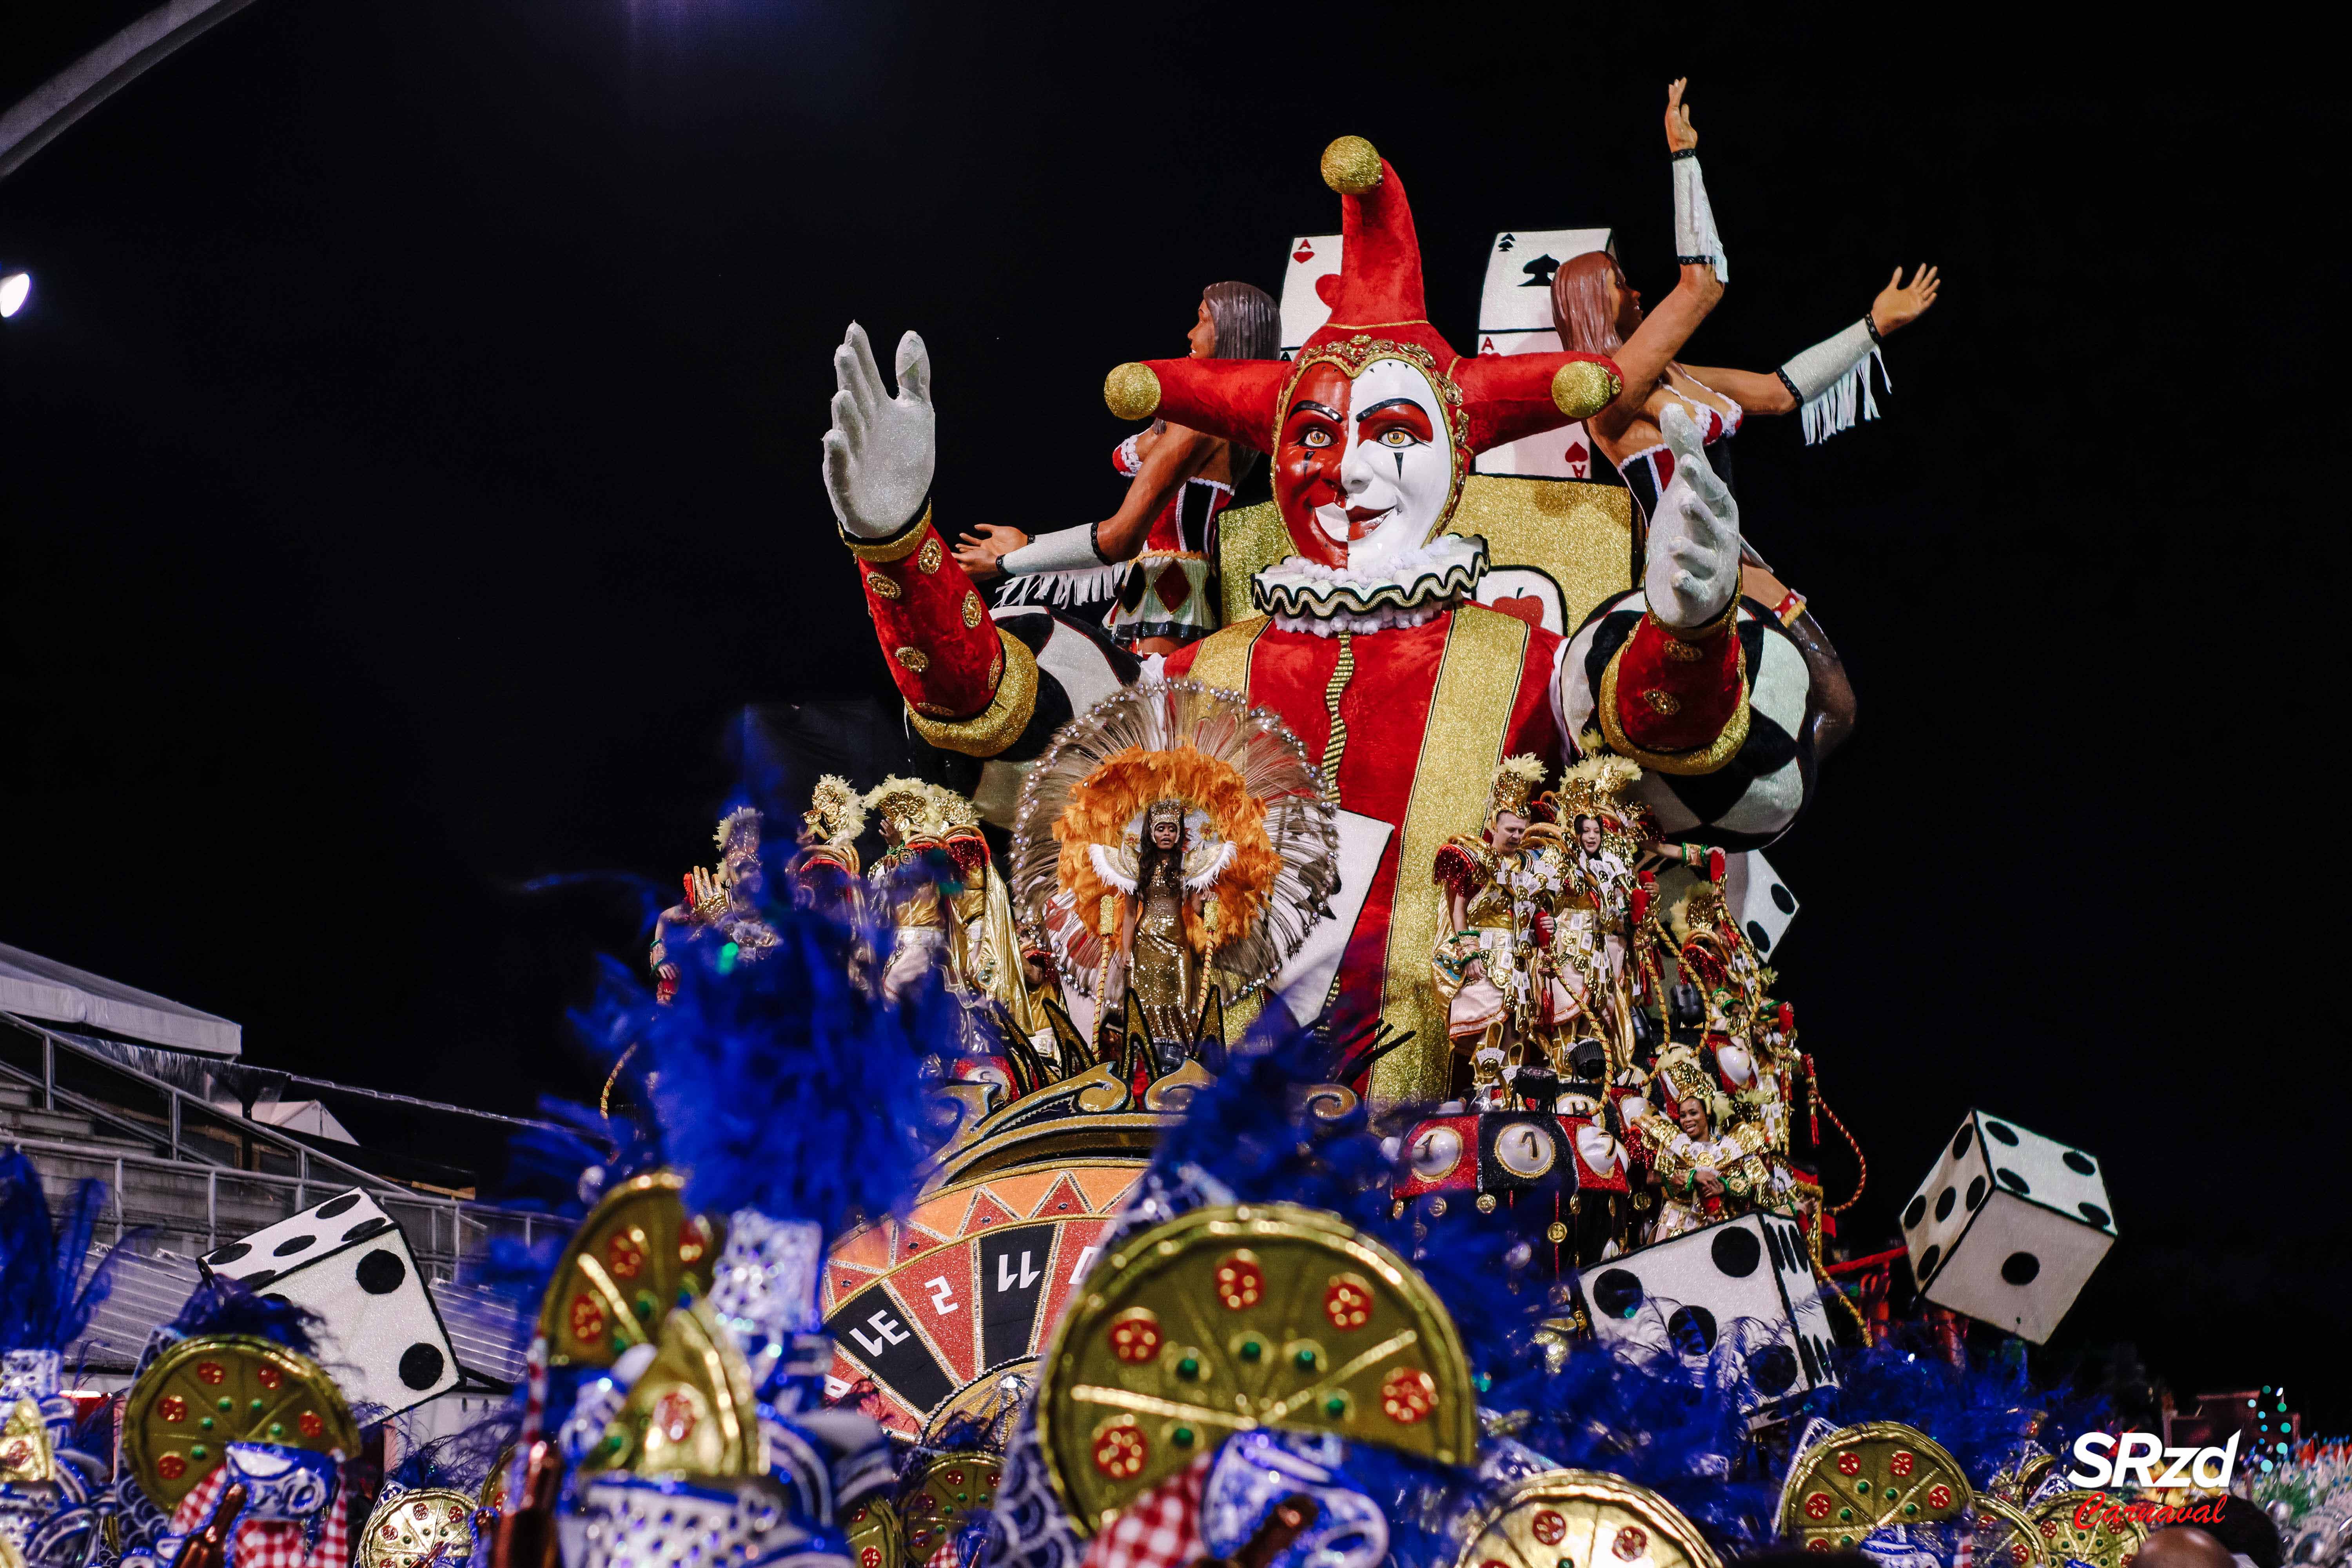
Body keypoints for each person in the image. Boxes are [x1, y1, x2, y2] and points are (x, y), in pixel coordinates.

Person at [821, 131, 1818, 1105]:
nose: (1346, 468)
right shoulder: (1199, 673)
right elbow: (1004, 717)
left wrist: (1692, 631)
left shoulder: (1534, 664)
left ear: (1454, 458)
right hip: (1209, 1153)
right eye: (1313, 434)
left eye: (1391, 434)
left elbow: (1675, 750)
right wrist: (901, 550)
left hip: (1452, 1162)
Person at [1551, 81, 1938, 759]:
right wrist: (1683, 160)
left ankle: (1750, 838)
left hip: (1737, 559)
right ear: (1589, 302)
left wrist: (1873, 327)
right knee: (1799, 713)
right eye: (1619, 281)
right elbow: (1704, 282)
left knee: (1834, 709)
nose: (1636, 289)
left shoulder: (1682, 377)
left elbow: (1781, 392)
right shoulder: (1612, 396)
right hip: (1686, 573)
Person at [953, 282, 1279, 657]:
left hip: (1169, 596)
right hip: (1153, 584)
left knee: (1154, 709)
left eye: (1202, 320)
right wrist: (1026, 546)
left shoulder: (1200, 423)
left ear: (1234, 333)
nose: (1190, 334)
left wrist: (1010, 560)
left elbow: (1120, 537)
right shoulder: (1207, 418)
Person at [1432, 757, 1574, 1102]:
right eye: (1510, 829)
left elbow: (1538, 910)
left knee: (1517, 1032)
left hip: (1521, 961)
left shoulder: (1530, 867)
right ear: (1495, 825)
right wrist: (1468, 953)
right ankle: (1484, 1093)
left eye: (1521, 830)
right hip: (1487, 953)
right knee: (1489, 1029)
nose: (1516, 836)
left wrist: (1545, 925)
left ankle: (1508, 1096)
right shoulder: (1478, 859)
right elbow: (1458, 908)